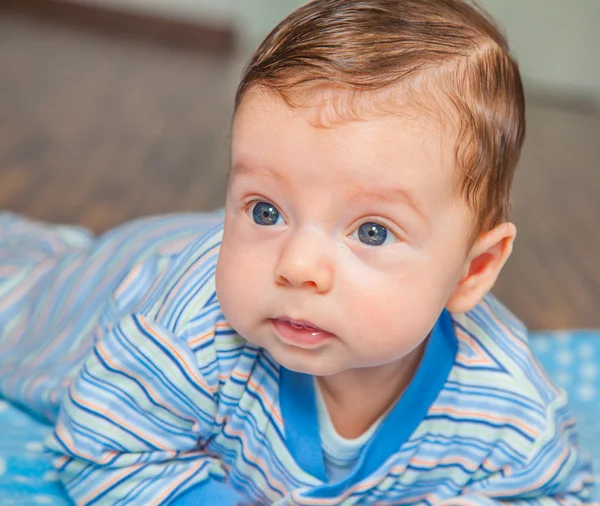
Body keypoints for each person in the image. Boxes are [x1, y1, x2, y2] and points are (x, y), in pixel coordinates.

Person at [0, 0, 593, 504]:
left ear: (475, 269)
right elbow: (102, 445)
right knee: (23, 292)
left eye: (372, 231)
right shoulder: (189, 333)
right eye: (265, 208)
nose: (298, 265)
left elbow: (555, 491)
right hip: (133, 273)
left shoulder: (503, 404)